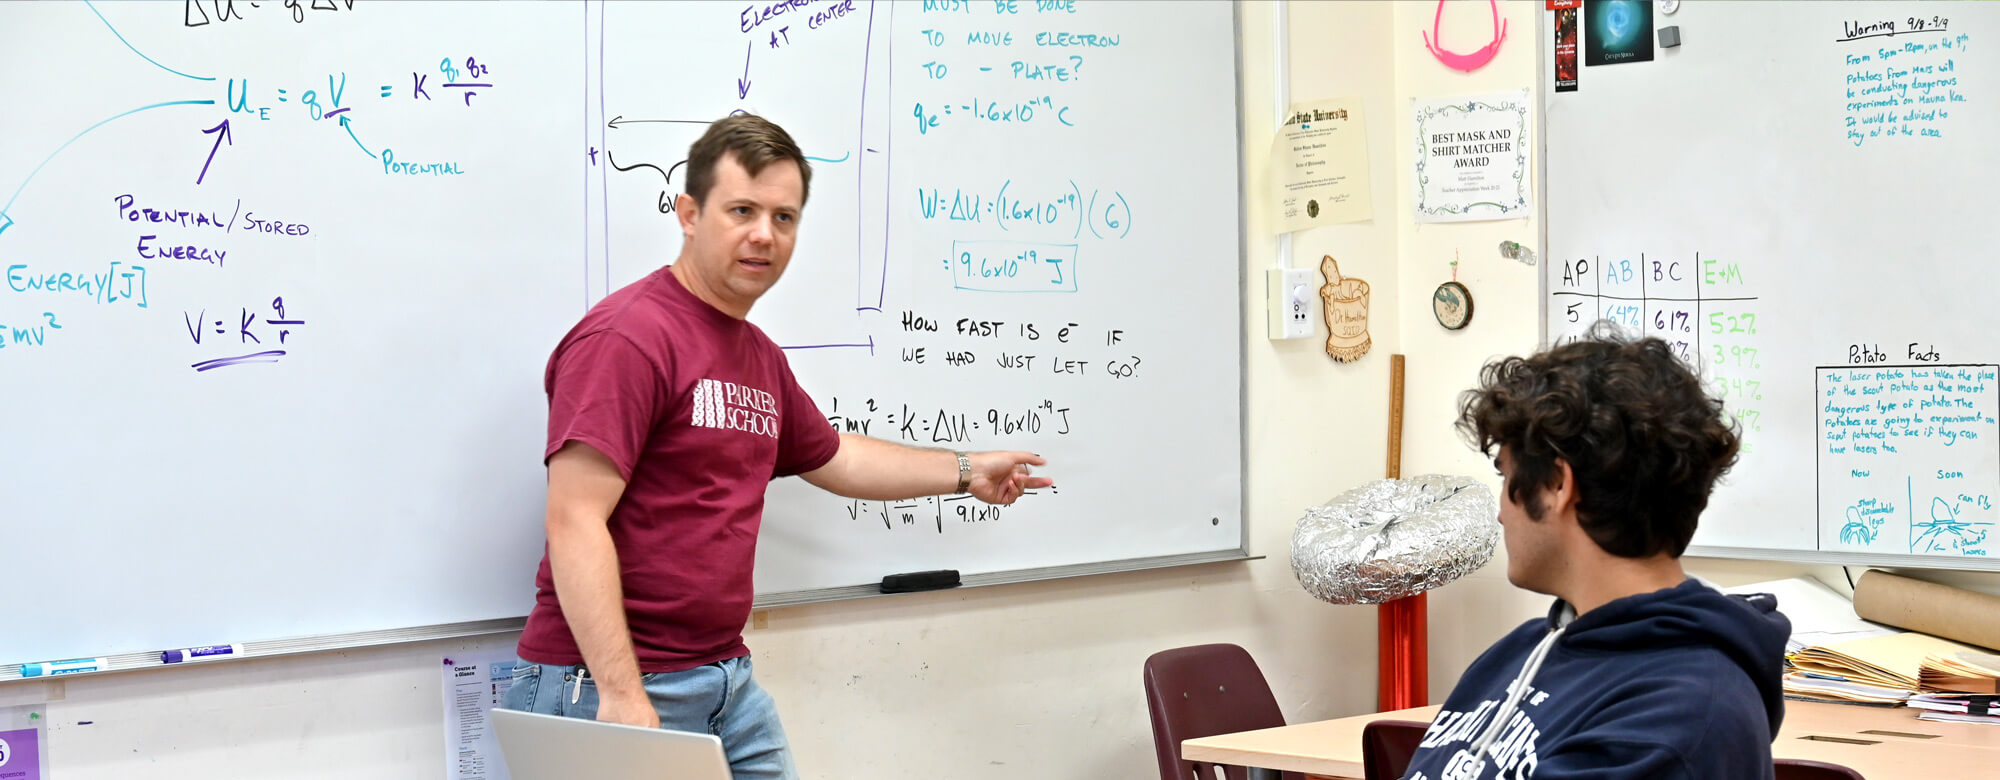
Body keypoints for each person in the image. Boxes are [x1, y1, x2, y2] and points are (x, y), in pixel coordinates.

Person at [499, 114, 1052, 780]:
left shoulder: (757, 355)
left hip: (725, 681)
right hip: (606, 685)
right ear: (689, 214)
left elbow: (837, 458)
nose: (764, 234)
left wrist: (967, 471)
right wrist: (621, 694)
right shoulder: (629, 338)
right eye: (742, 211)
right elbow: (574, 518)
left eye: (783, 217)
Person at [1400, 324, 1789, 780]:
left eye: (1506, 478)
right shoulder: (1521, 651)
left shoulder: (1679, 715)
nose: (1501, 513)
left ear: (1558, 485)